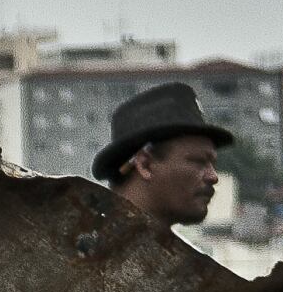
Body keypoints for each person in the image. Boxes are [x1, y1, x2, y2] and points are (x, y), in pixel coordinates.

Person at [95, 80, 231, 229]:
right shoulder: (81, 245)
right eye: (199, 162)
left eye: (213, 164)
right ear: (145, 165)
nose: (213, 177)